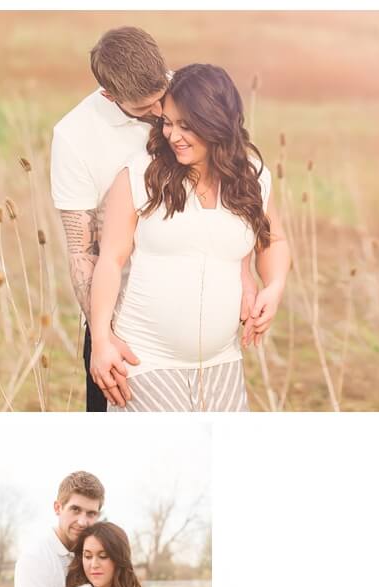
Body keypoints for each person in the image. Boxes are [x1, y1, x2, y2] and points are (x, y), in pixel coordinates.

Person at [50, 28, 261, 411]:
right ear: (109, 96)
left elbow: (230, 179)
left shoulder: (185, 94)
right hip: (121, 324)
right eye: (145, 108)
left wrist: (243, 267)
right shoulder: (74, 137)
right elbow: (82, 251)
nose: (161, 114)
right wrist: (104, 337)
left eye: (160, 98)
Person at [88, 63, 290, 411]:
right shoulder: (140, 174)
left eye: (186, 126)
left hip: (223, 364)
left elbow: (274, 242)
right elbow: (110, 259)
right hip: (143, 362)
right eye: (167, 122)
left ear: (217, 124)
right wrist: (101, 341)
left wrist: (274, 287)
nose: (173, 135)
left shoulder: (253, 178)